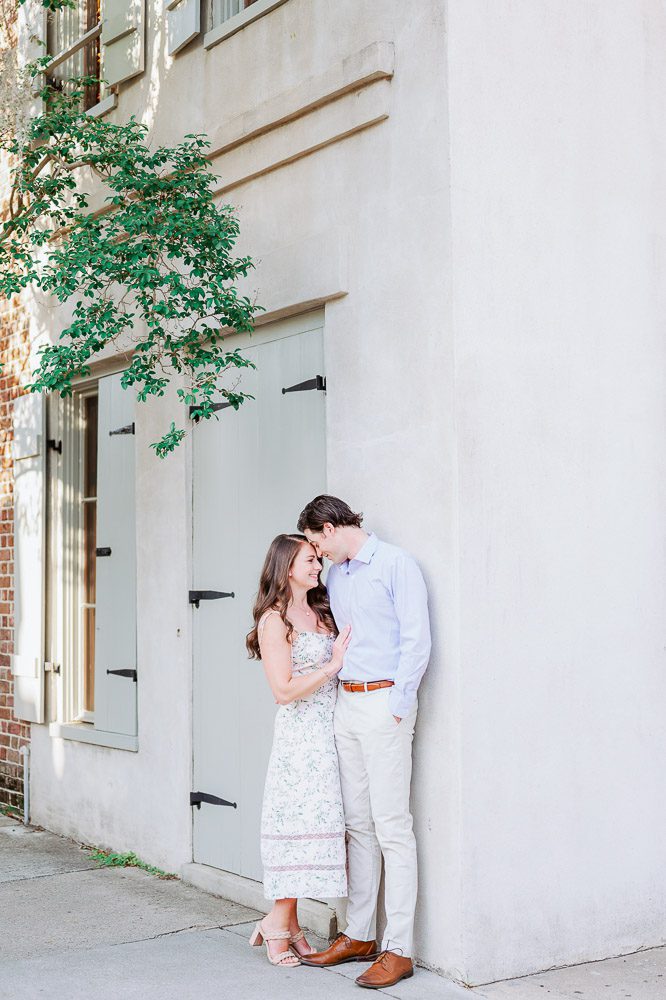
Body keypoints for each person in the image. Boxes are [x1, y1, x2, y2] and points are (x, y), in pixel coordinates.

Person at [297, 496, 431, 990]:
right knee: (357, 825)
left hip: (384, 705)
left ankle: (399, 948)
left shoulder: (396, 564)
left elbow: (417, 640)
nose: (317, 554)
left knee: (392, 825)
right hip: (346, 706)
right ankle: (358, 934)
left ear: (330, 528)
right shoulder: (337, 576)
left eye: (316, 543)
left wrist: (399, 704)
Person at [246, 533, 351, 968]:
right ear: (286, 566)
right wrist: (331, 667)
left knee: (317, 828)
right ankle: (278, 925)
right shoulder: (275, 620)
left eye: (317, 559)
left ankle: (285, 925)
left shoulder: (321, 609)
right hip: (300, 740)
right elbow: (283, 690)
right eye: (309, 560)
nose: (317, 566)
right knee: (296, 828)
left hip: (333, 732)